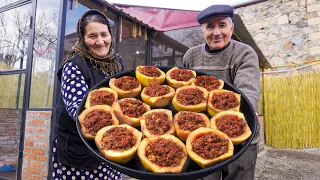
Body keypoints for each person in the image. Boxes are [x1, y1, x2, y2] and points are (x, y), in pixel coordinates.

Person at [183, 4, 260, 180]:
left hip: (239, 134)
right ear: (202, 30)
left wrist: (245, 112)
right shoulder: (190, 55)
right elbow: (184, 90)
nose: (216, 32)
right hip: (201, 136)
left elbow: (247, 89)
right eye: (210, 26)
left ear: (231, 28)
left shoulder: (244, 53)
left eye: (222, 25)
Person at [52, 9, 125, 180]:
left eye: (104, 34)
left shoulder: (116, 63)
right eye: (92, 36)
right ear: (83, 39)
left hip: (111, 144)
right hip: (79, 149)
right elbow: (78, 110)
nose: (100, 41)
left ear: (110, 35)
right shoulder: (74, 65)